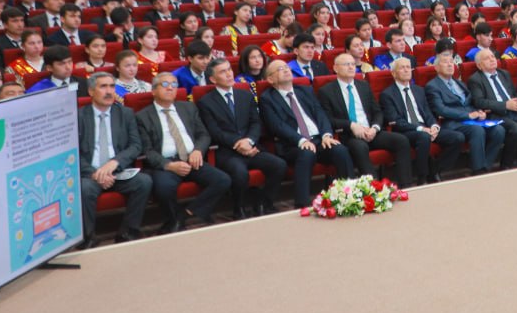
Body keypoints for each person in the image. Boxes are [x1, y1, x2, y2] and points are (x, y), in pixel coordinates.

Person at [135, 73, 231, 233]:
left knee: (222, 180)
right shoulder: (142, 117)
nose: (170, 88)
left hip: (192, 158)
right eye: (165, 84)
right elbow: (147, 150)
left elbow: (203, 135)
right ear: (153, 90)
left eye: (174, 84)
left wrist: (198, 150)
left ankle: (184, 215)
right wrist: (169, 165)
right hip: (166, 163)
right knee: (164, 188)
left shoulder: (188, 108)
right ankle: (173, 219)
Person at [196, 58, 288, 218]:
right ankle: (238, 208)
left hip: (251, 146)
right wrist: (238, 143)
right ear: (212, 79)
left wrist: (249, 141)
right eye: (223, 72)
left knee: (278, 165)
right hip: (227, 151)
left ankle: (264, 202)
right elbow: (214, 131)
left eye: (229, 70)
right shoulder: (206, 102)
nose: (229, 74)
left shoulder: (245, 95)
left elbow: (256, 123)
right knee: (239, 172)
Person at [258, 59, 355, 208]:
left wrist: (326, 135)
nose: (286, 70)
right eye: (280, 69)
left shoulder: (304, 90)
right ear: (270, 79)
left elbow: (320, 114)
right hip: (292, 144)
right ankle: (302, 202)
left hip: (318, 139)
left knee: (339, 149)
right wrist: (301, 140)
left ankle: (351, 194)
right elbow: (277, 126)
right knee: (306, 153)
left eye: (286, 67)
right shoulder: (267, 98)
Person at [316, 52, 417, 187]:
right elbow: (327, 119)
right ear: (336, 68)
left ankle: (406, 185)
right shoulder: (326, 91)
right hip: (349, 134)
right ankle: (375, 188)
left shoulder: (363, 85)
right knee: (360, 147)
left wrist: (375, 128)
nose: (351, 67)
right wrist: (351, 125)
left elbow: (377, 112)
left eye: (353, 64)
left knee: (401, 140)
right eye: (346, 64)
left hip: (371, 131)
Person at [77, 73, 152, 247]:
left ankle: (127, 232)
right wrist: (95, 173)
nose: (109, 91)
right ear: (91, 91)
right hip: (90, 174)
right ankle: (88, 238)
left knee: (144, 182)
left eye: (112, 86)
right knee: (84, 189)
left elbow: (135, 145)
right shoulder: (79, 116)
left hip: (117, 170)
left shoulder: (125, 113)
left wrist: (115, 163)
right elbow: (73, 153)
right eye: (103, 87)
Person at [378, 57, 460, 183]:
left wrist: (434, 126)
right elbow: (395, 120)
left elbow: (427, 113)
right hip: (406, 131)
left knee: (457, 137)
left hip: (426, 128)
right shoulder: (387, 94)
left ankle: (436, 169)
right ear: (394, 73)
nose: (407, 70)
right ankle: (422, 177)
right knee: (423, 137)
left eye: (408, 67)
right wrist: (421, 129)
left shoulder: (419, 90)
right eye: (402, 68)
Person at [425, 51, 508, 174]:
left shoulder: (459, 83)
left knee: (498, 130)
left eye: (451, 62)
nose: (450, 65)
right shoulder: (432, 86)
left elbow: (469, 103)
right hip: (453, 122)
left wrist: (479, 112)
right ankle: (478, 169)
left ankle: (486, 166)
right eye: (445, 62)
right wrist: (468, 115)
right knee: (477, 130)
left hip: (471, 120)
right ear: (436, 67)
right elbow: (441, 109)